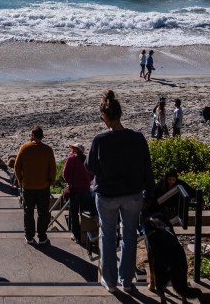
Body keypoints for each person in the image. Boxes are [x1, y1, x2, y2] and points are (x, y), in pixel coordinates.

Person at [86, 89, 155, 294]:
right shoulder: (137, 138)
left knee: (107, 236)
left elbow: (90, 167)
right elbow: (147, 169)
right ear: (120, 114)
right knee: (129, 236)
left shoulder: (100, 140)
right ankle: (126, 280)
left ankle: (110, 281)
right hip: (133, 195)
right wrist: (148, 196)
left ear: (105, 117)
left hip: (107, 195)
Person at [13, 125, 57, 246]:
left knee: (28, 212)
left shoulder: (24, 148)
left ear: (32, 135)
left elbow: (16, 166)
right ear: (41, 136)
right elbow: (53, 168)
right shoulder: (48, 150)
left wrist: (20, 180)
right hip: (43, 187)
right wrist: (50, 181)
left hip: (27, 186)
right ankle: (42, 237)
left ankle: (29, 236)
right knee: (43, 213)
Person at [62, 142, 94, 244]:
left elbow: (65, 174)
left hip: (75, 190)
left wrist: (70, 182)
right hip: (86, 189)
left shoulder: (71, 159)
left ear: (76, 150)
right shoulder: (86, 159)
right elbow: (92, 175)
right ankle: (95, 231)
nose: (71, 150)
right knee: (91, 210)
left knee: (74, 213)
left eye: (73, 148)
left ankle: (77, 236)